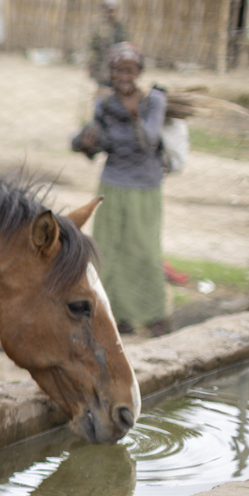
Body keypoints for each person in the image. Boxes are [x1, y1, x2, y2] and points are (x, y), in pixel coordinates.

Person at [72, 42, 168, 337]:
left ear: (139, 71)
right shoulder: (103, 105)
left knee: (144, 251)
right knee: (108, 252)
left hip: (145, 188)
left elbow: (151, 140)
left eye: (128, 70)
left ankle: (154, 316)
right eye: (116, 71)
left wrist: (135, 114)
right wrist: (84, 143)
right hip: (112, 185)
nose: (122, 77)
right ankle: (117, 317)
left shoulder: (154, 101)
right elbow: (91, 147)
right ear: (110, 73)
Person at [87, 0, 128, 88]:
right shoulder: (98, 28)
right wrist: (91, 65)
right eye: (108, 10)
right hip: (102, 69)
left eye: (113, 10)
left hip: (117, 69)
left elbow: (127, 45)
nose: (110, 13)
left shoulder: (121, 27)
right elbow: (91, 48)